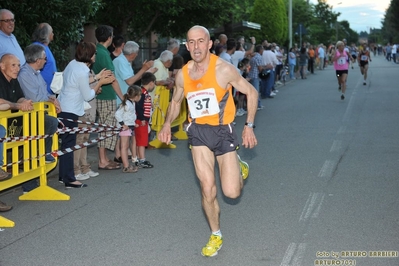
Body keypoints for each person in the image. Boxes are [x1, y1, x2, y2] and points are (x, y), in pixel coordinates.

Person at [158, 25, 258, 257]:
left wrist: (249, 126)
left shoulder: (224, 69)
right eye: (191, 42)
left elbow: (251, 92)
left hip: (223, 131)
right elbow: (175, 102)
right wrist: (165, 125)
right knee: (207, 188)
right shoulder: (183, 73)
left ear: (209, 43)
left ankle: (238, 163)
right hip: (198, 133)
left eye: (200, 41)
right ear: (187, 45)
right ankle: (216, 234)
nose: (196, 47)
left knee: (232, 192)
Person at [58, 41, 114, 187]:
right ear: (89, 55)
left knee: (66, 144)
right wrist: (100, 83)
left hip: (64, 107)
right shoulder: (82, 70)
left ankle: (63, 175)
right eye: (94, 53)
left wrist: (96, 78)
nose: (95, 55)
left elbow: (78, 82)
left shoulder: (73, 64)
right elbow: (88, 95)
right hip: (71, 109)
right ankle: (70, 179)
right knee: (69, 145)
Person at [17, 44, 61, 192]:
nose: (45, 61)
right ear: (37, 59)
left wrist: (52, 99)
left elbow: (44, 94)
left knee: (36, 147)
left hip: (39, 114)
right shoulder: (24, 74)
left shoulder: (36, 73)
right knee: (34, 147)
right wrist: (49, 100)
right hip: (29, 116)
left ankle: (35, 180)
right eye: (44, 58)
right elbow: (35, 98)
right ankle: (29, 184)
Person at [0, 54, 34, 211]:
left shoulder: (14, 80)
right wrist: (17, 105)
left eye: (19, 65)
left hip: (12, 122)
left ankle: (38, 169)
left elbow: (19, 98)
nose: (17, 68)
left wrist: (24, 103)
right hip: (3, 125)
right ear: (2, 66)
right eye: (13, 65)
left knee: (46, 123)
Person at [113, 41, 155, 162]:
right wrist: (144, 69)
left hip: (126, 99)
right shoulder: (120, 61)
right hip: (121, 100)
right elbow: (130, 81)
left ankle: (121, 154)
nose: (136, 56)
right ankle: (120, 155)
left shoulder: (125, 62)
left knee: (125, 130)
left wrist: (145, 71)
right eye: (136, 53)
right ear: (132, 54)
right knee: (123, 129)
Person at [92, 25, 124, 170]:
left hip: (99, 94)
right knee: (107, 128)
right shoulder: (104, 54)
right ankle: (102, 160)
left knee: (104, 127)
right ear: (110, 38)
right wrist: (123, 97)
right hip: (106, 95)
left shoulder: (96, 51)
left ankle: (104, 158)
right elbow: (112, 79)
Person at [115, 85, 142, 173]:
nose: (140, 97)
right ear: (136, 96)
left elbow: (129, 116)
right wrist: (123, 124)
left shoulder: (131, 103)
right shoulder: (126, 103)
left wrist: (133, 124)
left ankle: (127, 165)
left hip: (129, 127)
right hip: (125, 128)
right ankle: (126, 166)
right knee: (124, 147)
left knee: (126, 146)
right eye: (140, 95)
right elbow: (118, 114)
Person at [134, 72, 156, 168]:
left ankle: (139, 158)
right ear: (151, 83)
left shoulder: (144, 92)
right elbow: (138, 106)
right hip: (141, 120)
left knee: (141, 140)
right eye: (154, 83)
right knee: (142, 141)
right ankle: (142, 159)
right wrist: (142, 118)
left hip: (143, 120)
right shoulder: (142, 93)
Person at [32, 23, 57, 95]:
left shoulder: (45, 47)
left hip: (49, 91)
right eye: (52, 32)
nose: (53, 34)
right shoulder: (37, 48)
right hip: (42, 93)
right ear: (47, 34)